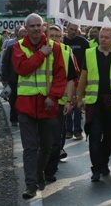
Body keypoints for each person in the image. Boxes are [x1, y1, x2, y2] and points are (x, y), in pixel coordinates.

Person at [12, 13, 73, 199]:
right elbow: (22, 68)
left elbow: (61, 75)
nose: (36, 29)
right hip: (26, 106)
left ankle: (39, 172)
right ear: (26, 28)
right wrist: (41, 55)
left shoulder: (54, 48)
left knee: (47, 146)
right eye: (32, 26)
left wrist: (53, 96)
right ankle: (30, 185)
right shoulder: (18, 46)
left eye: (39, 25)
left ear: (44, 26)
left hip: (48, 106)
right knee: (30, 147)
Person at [76, 27, 111, 182]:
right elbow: (83, 78)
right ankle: (96, 168)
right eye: (101, 36)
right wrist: (79, 98)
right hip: (94, 102)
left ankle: (104, 162)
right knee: (94, 136)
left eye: (107, 37)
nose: (103, 39)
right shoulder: (89, 53)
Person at [44, 25, 79, 182]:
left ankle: (50, 171)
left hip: (60, 101)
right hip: (41, 101)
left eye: (58, 35)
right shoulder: (41, 50)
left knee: (56, 138)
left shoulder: (66, 51)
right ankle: (41, 167)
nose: (55, 38)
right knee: (42, 138)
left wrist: (70, 100)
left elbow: (71, 79)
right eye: (52, 35)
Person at [62, 22, 89, 140]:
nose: (73, 32)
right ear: (67, 28)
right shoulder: (62, 41)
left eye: (75, 29)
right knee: (68, 102)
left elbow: (89, 58)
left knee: (78, 102)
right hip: (66, 77)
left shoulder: (83, 42)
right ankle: (68, 129)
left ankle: (77, 130)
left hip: (80, 76)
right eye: (71, 29)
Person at [0, 25, 26, 126]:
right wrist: (4, 78)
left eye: (25, 36)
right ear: (17, 37)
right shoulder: (12, 48)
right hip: (13, 79)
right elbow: (5, 63)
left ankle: (22, 117)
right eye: (21, 36)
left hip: (24, 80)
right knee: (13, 100)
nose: (23, 38)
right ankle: (14, 119)